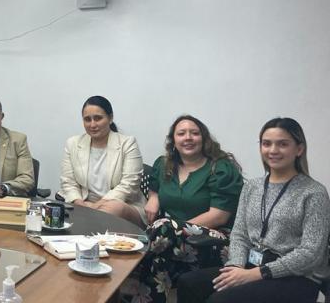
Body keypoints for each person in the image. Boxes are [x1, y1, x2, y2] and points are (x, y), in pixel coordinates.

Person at [177, 118, 330, 303]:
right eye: (267, 144)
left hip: (297, 277)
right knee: (188, 283)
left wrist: (257, 274)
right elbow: (240, 234)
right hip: (253, 266)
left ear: (299, 149)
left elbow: (311, 253)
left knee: (220, 300)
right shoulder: (252, 187)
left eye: (282, 144)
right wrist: (236, 267)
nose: (273, 150)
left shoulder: (314, 192)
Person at [123, 114, 244, 302]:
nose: (188, 138)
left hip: (213, 239)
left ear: (204, 138)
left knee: (162, 229)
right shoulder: (164, 164)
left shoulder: (221, 168)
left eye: (194, 133)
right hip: (168, 239)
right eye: (181, 134)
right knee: (157, 261)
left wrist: (176, 228)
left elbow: (219, 216)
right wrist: (153, 198)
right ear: (173, 140)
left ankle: (124, 264)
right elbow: (155, 188)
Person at [58, 95, 146, 227]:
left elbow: (129, 185)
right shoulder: (73, 144)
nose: (92, 124)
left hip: (123, 205)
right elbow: (68, 182)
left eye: (98, 118)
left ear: (110, 118)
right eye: (87, 119)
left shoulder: (128, 143)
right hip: (84, 204)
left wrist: (96, 206)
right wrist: (79, 203)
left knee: (113, 208)